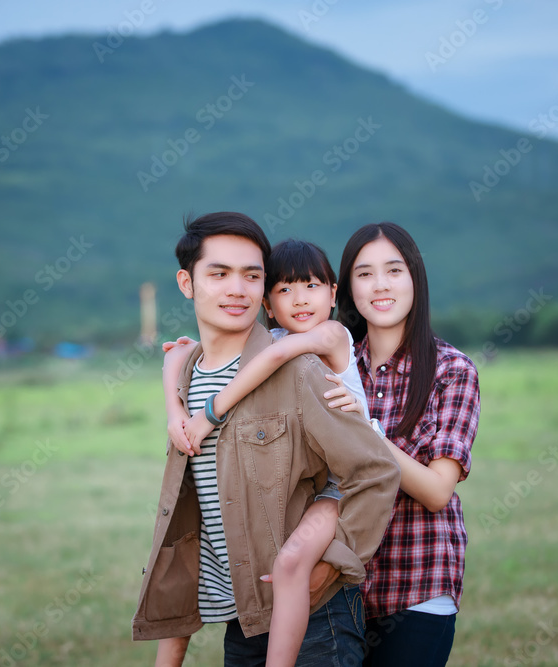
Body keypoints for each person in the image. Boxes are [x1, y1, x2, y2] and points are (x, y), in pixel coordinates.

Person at [132, 213, 400, 667]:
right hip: (243, 621)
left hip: (317, 620)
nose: (238, 289)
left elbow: (374, 472)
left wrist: (330, 564)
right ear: (186, 282)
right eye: (219, 274)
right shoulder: (185, 378)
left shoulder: (300, 368)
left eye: (252, 276)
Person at [334, 222, 480, 667]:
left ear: (415, 278)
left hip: (418, 585)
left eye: (394, 270)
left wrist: (366, 430)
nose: (380, 285)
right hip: (338, 589)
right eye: (364, 273)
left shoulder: (452, 371)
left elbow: (437, 491)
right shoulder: (331, 368)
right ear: (348, 288)